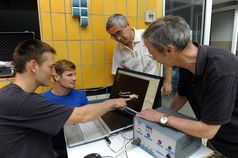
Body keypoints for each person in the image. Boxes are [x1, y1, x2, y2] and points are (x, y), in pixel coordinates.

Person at [0, 39, 128, 158]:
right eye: (50, 67)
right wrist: (114, 102)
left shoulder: (10, 94)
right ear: (33, 66)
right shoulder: (23, 101)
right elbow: (82, 115)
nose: (53, 73)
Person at [136, 15, 238, 158]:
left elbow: (208, 130)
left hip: (233, 143)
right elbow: (182, 96)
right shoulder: (185, 63)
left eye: (151, 51)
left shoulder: (221, 69)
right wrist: (166, 113)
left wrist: (162, 118)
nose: (151, 56)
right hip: (215, 140)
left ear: (169, 50)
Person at [106, 14, 172, 96]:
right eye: (114, 36)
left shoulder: (148, 36)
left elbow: (167, 57)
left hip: (153, 87)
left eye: (119, 32)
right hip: (133, 90)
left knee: (153, 108)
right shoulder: (118, 50)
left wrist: (167, 82)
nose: (118, 38)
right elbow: (116, 74)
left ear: (127, 25)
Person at [41, 59, 88, 158]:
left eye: (75, 74)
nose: (74, 78)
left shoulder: (80, 95)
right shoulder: (43, 99)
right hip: (55, 151)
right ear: (56, 77)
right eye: (69, 75)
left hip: (79, 145)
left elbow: (88, 119)